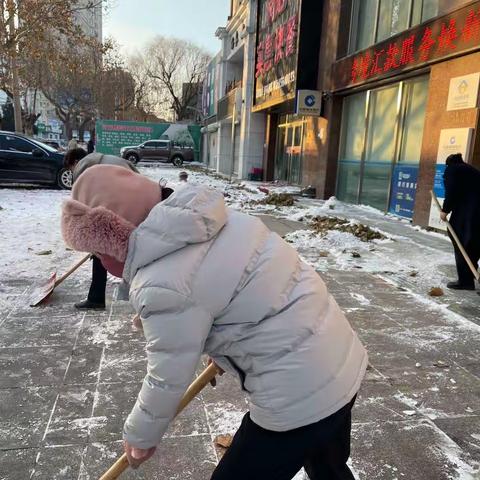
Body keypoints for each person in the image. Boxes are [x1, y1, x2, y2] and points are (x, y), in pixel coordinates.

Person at [61, 165, 367, 480]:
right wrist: (221, 345)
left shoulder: (160, 282)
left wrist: (140, 437)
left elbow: (166, 375)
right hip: (340, 363)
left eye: (96, 254)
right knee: (328, 465)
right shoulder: (222, 220)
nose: (99, 263)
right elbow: (247, 294)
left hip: (299, 392)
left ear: (116, 237)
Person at [63, 150, 172, 309]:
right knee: (133, 249)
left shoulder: (83, 168)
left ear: (75, 161)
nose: (72, 172)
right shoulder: (108, 158)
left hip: (111, 207)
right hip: (136, 201)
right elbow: (136, 176)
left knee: (111, 249)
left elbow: (82, 198)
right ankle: (108, 295)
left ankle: (98, 297)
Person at [440, 153, 480, 291]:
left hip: (469, 214)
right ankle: (472, 275)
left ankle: (465, 281)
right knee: (474, 245)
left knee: (460, 242)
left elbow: (452, 190)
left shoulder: (453, 169)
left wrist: (445, 210)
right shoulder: (471, 170)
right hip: (475, 214)